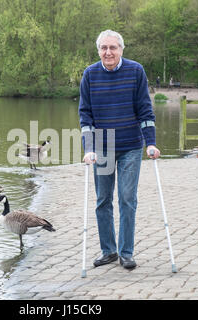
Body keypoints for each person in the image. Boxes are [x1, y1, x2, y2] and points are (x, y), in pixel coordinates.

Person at [78, 30, 160, 270]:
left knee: (127, 199)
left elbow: (145, 110)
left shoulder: (136, 71)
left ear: (121, 49)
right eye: (103, 48)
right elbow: (85, 115)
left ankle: (126, 252)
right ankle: (109, 251)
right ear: (98, 51)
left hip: (130, 147)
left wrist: (151, 142)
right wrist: (89, 147)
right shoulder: (90, 75)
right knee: (103, 200)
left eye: (113, 47)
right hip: (102, 146)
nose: (108, 52)